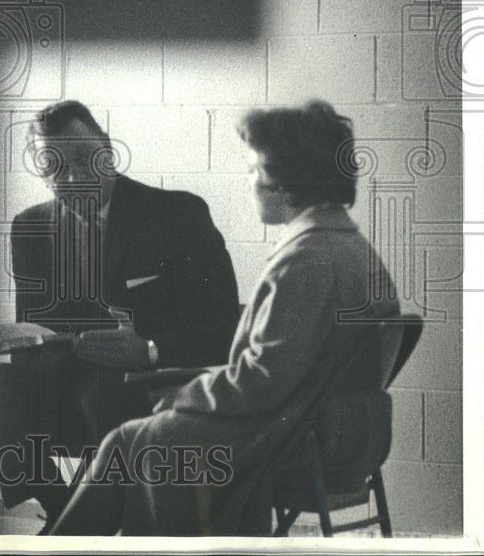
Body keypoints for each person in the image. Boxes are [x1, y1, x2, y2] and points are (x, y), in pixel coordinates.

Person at [47, 100, 401, 536]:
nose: (248, 181)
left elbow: (261, 380)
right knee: (142, 438)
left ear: (284, 181)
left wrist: (184, 395)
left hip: (294, 442)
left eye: (253, 169)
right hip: (346, 438)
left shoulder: (305, 259)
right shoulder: (352, 247)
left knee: (133, 441)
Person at [0, 100, 240, 525]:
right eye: (53, 166)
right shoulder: (29, 227)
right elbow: (34, 330)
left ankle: (80, 527)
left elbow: (225, 329)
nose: (73, 178)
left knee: (104, 392)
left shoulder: (177, 214)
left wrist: (147, 349)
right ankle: (69, 518)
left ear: (108, 151)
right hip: (66, 383)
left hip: (149, 384)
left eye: (84, 159)